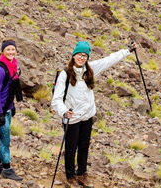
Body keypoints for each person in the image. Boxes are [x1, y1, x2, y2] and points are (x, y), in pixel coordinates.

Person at [51, 41, 137, 188]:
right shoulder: (65, 74)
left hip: (87, 116)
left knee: (84, 146)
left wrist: (127, 51)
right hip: (72, 118)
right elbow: (57, 99)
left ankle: (82, 173)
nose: (82, 58)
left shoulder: (90, 70)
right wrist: (64, 112)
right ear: (74, 55)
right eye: (79, 54)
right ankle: (70, 176)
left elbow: (109, 60)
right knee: (71, 148)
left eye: (85, 55)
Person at [0, 40, 24, 181]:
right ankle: (7, 169)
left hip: (6, 108)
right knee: (5, 140)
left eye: (13, 49)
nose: (11, 52)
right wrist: (0, 113)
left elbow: (9, 89)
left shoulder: (13, 66)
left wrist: (11, 106)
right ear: (3, 51)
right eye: (8, 49)